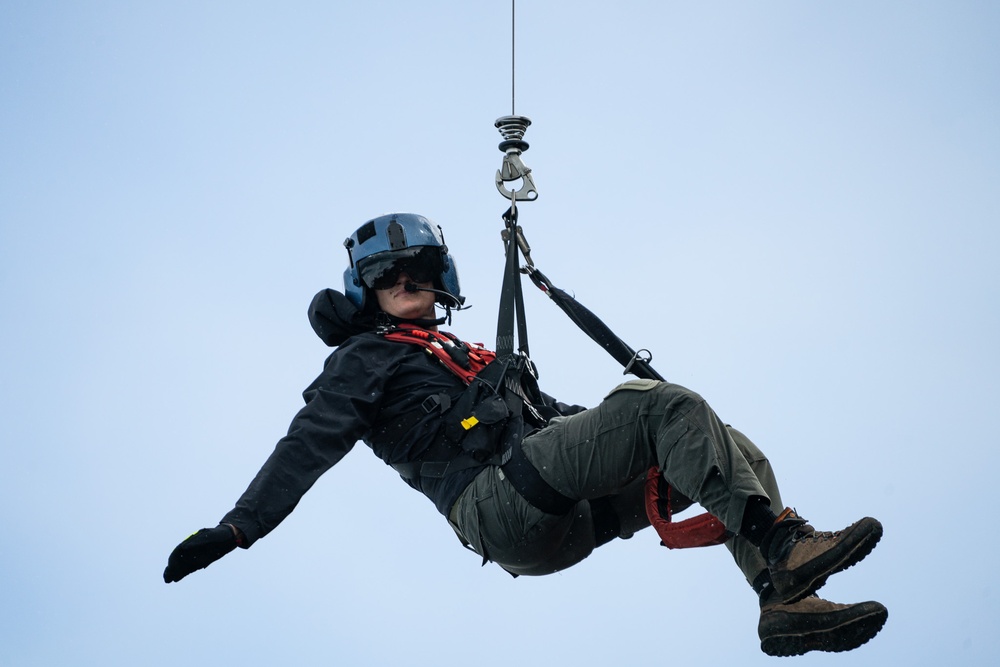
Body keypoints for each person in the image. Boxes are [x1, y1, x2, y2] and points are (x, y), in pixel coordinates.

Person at [164, 213, 887, 657]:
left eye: (418, 268)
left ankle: (780, 598)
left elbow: (560, 421)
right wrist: (237, 528)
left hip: (557, 513)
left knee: (727, 442)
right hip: (497, 505)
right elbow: (307, 441)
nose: (408, 279)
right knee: (666, 407)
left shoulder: (467, 359)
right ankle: (787, 549)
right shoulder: (365, 359)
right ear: (367, 289)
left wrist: (645, 425)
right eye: (390, 273)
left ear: (439, 278)